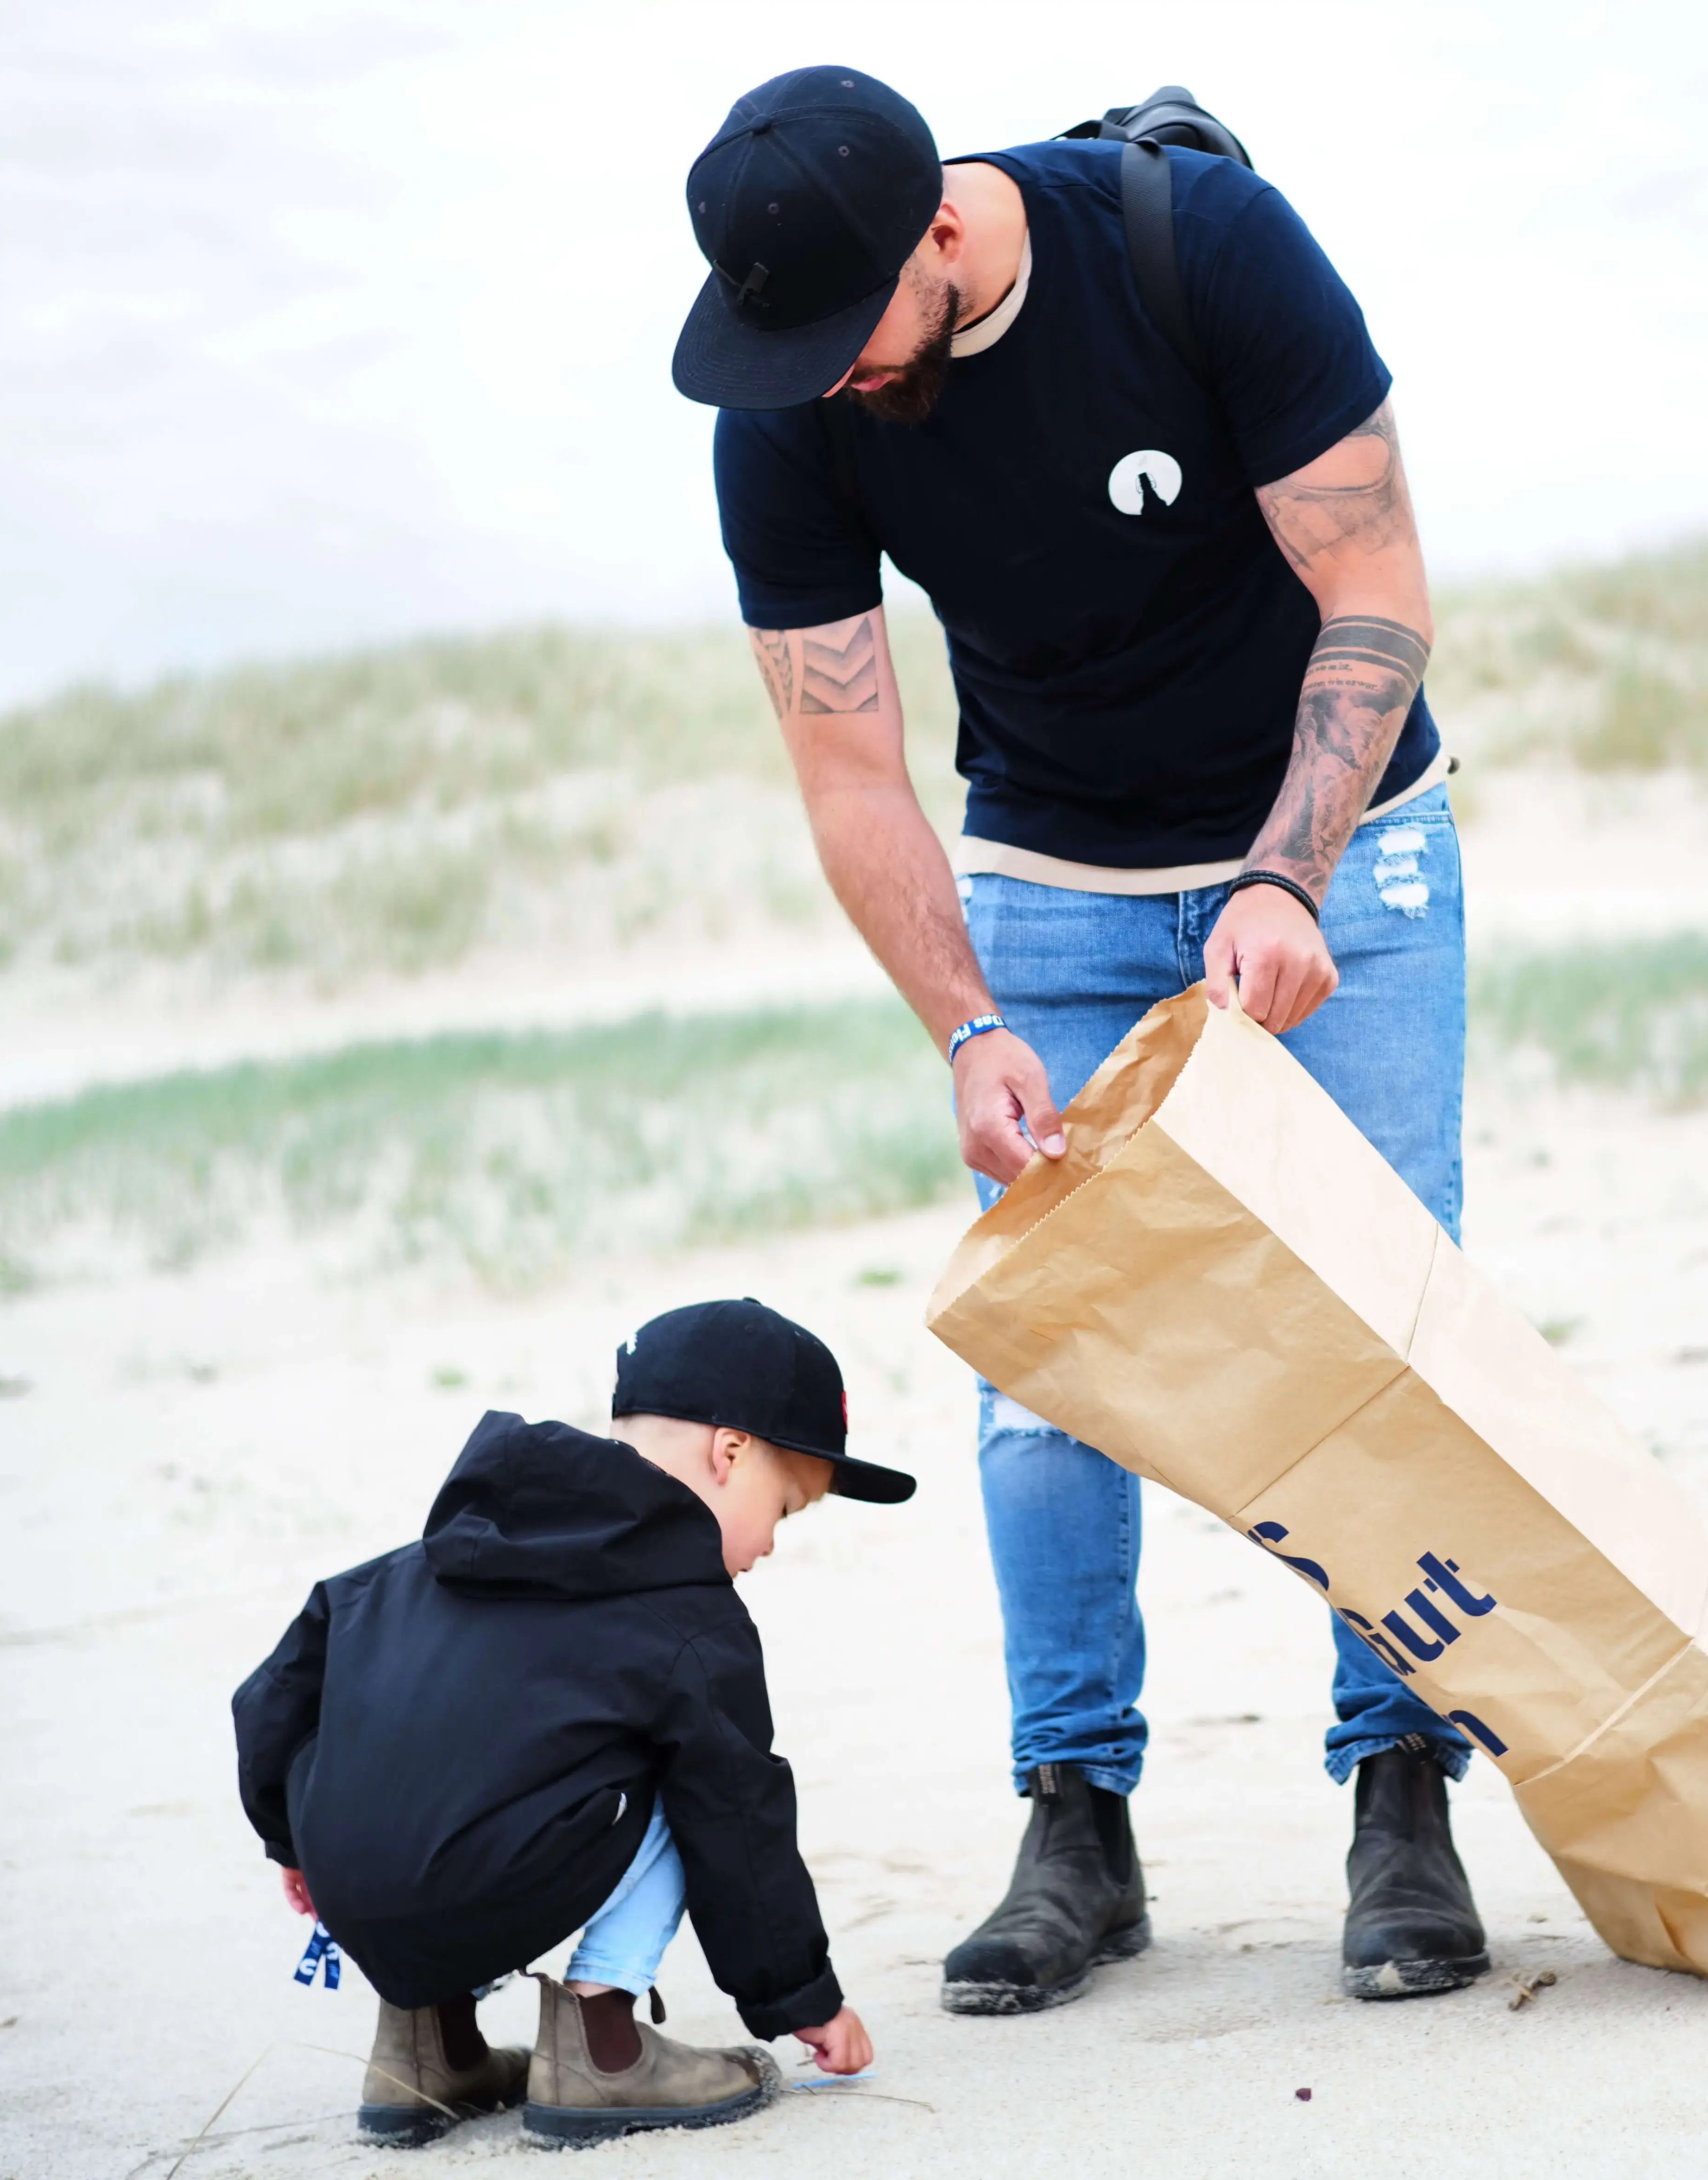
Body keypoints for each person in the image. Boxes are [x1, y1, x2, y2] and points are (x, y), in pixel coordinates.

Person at [671, 66, 1488, 2013]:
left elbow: (1374, 586)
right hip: (1049, 881)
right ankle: (1076, 1820)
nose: (824, 378)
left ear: (942, 233)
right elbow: (847, 770)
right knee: (1044, 1365)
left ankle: (1398, 1790)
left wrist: (1285, 877)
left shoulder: (1197, 248)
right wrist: (963, 1022)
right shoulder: (792, 399)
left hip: (1341, 842)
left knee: (1382, 1320)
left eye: (846, 332)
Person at [228, 1299, 908, 2145]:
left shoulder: (412, 1569)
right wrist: (802, 1999)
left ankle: (423, 2050)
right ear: (729, 1453)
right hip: (484, 1883)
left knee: (447, 1741)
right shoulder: (692, 1626)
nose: (771, 1542)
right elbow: (740, 1821)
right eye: (786, 1507)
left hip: (355, 1894)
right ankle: (601, 2041)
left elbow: (272, 1697)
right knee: (695, 1773)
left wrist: (292, 1841)